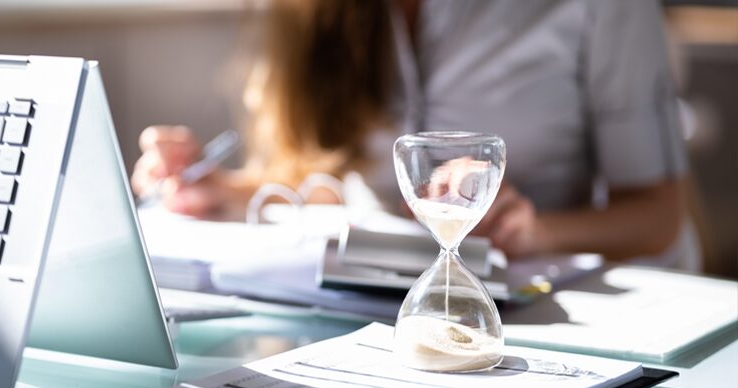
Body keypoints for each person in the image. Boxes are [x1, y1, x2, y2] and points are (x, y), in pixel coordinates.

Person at [131, 0, 696, 268]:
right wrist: (219, 187)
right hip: (380, 294)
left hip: (567, 298)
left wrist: (535, 230)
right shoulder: (315, 13)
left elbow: (658, 216)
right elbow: (330, 171)